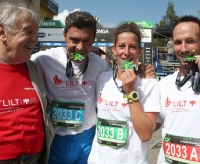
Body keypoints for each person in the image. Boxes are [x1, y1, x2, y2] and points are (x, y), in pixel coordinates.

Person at [31, 11, 156, 164]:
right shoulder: (43, 59)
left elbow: (119, 77)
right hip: (56, 138)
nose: (80, 47)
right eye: (74, 40)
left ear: (94, 40)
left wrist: (142, 70)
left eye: (87, 41)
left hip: (87, 140)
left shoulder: (100, 65)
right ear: (64, 36)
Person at [88, 22, 160, 164]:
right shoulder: (102, 78)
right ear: (114, 50)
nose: (126, 52)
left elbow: (146, 135)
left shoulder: (149, 84)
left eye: (132, 47)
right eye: (121, 46)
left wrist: (131, 91)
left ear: (139, 51)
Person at [0, 1, 54, 163]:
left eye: (36, 34)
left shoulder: (35, 69)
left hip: (34, 158)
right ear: (3, 32)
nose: (35, 40)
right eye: (28, 32)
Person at [157, 15, 200, 164]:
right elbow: (149, 127)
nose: (183, 49)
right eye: (177, 42)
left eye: (190, 41)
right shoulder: (164, 84)